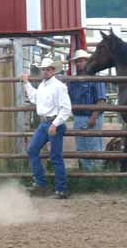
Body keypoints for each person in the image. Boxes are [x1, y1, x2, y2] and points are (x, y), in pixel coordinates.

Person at [22, 58, 72, 199]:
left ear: (53, 70)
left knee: (55, 156)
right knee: (33, 150)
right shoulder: (43, 85)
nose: (45, 71)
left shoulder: (59, 86)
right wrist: (27, 83)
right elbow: (34, 98)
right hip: (45, 123)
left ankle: (60, 189)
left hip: (53, 123)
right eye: (43, 69)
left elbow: (66, 109)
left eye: (48, 69)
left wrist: (55, 124)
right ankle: (41, 183)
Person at [68, 49, 107, 171]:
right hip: (79, 117)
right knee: (81, 147)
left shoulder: (95, 78)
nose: (79, 64)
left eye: (81, 61)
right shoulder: (72, 81)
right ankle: (86, 173)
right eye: (77, 62)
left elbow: (101, 100)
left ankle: (95, 173)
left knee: (94, 146)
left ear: (87, 61)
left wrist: (93, 117)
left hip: (92, 117)